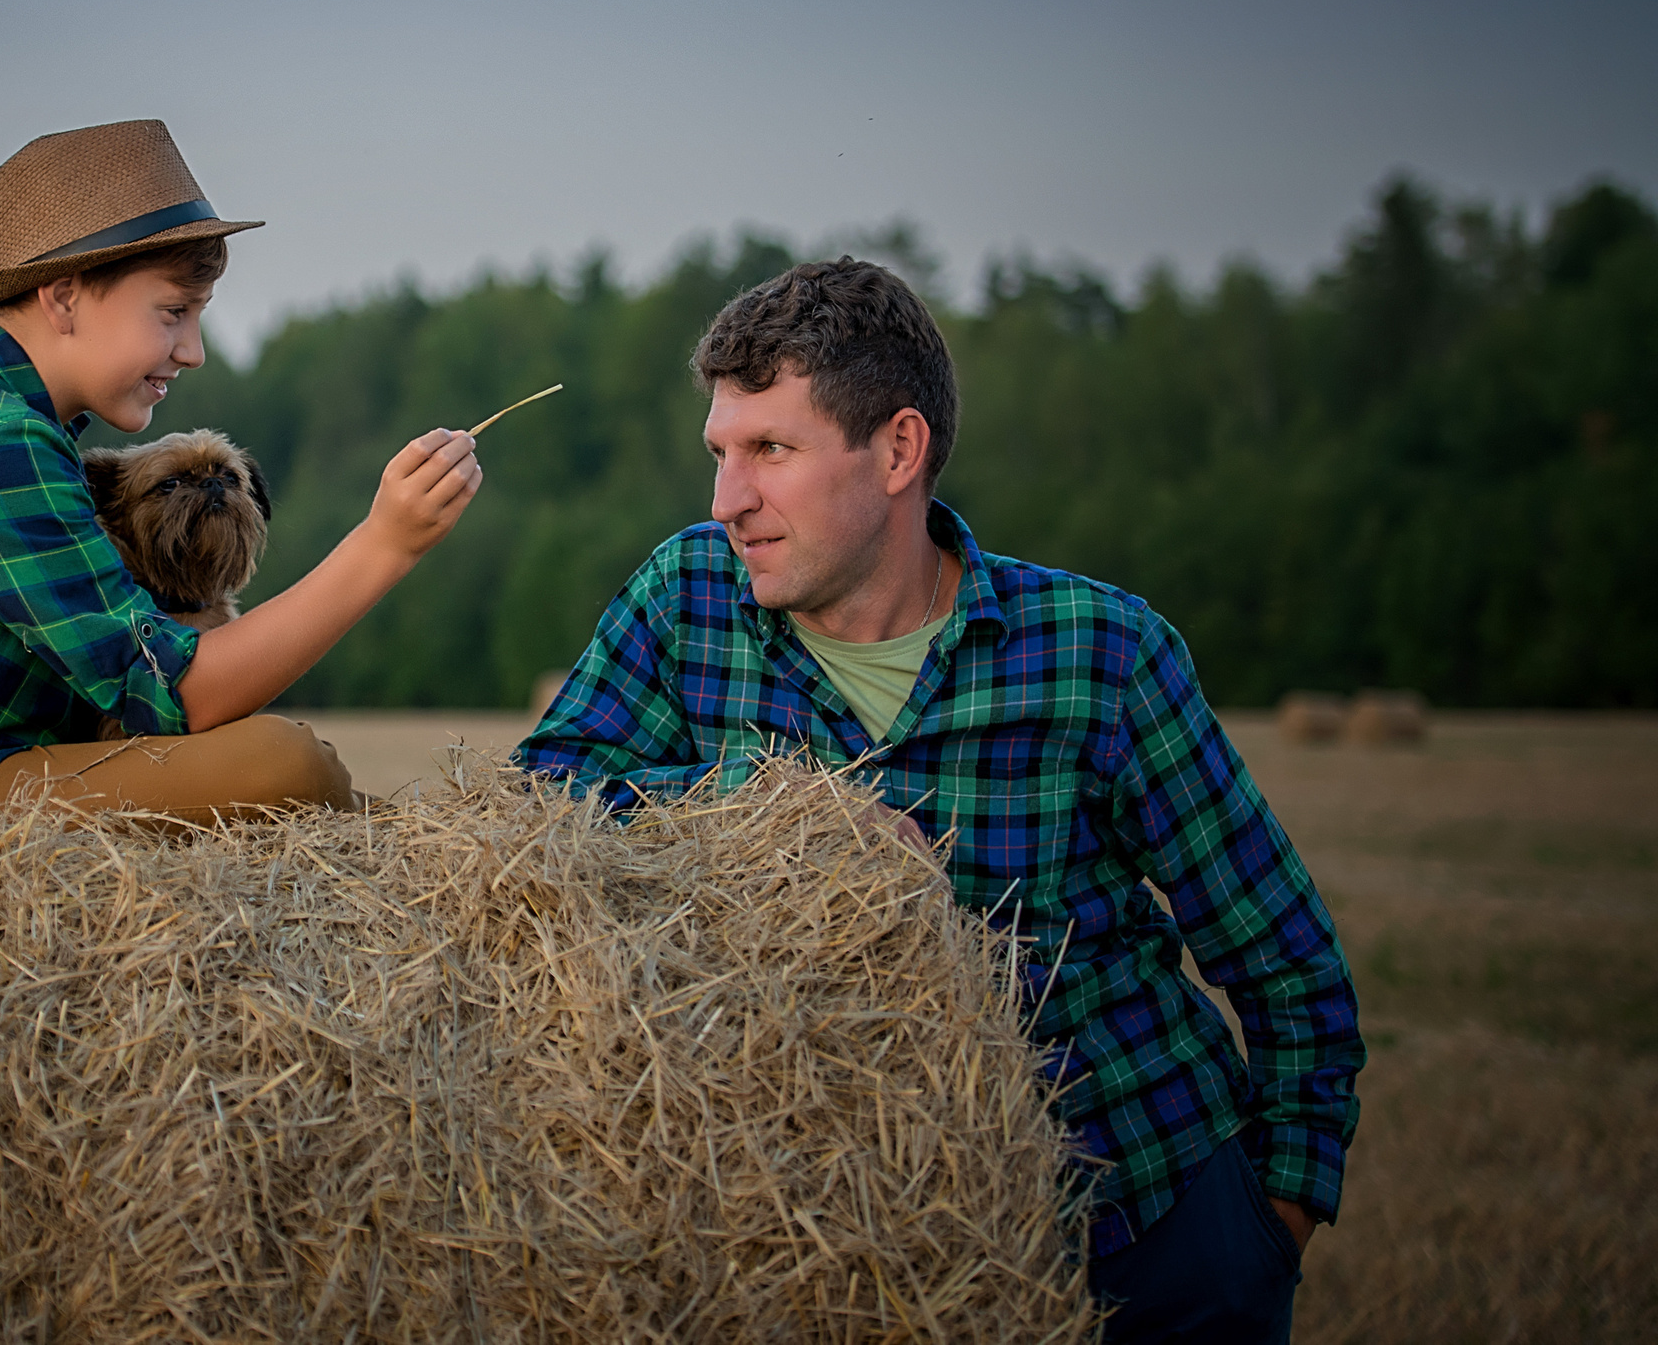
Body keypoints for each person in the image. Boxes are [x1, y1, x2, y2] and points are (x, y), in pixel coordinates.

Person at [515, 257, 1362, 1344]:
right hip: (839, 1253)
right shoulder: (686, 598)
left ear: (898, 450)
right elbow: (546, 793)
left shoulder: (1100, 655)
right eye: (721, 454)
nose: (728, 499)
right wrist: (771, 809)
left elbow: (1285, 958)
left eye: (771, 450)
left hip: (1140, 1231)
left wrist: (1267, 1225)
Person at [0, 119, 482, 831]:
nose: (193, 350)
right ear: (63, 296)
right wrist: (386, 543)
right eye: (173, 313)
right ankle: (405, 846)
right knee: (285, 766)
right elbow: (179, 697)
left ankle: (402, 844)